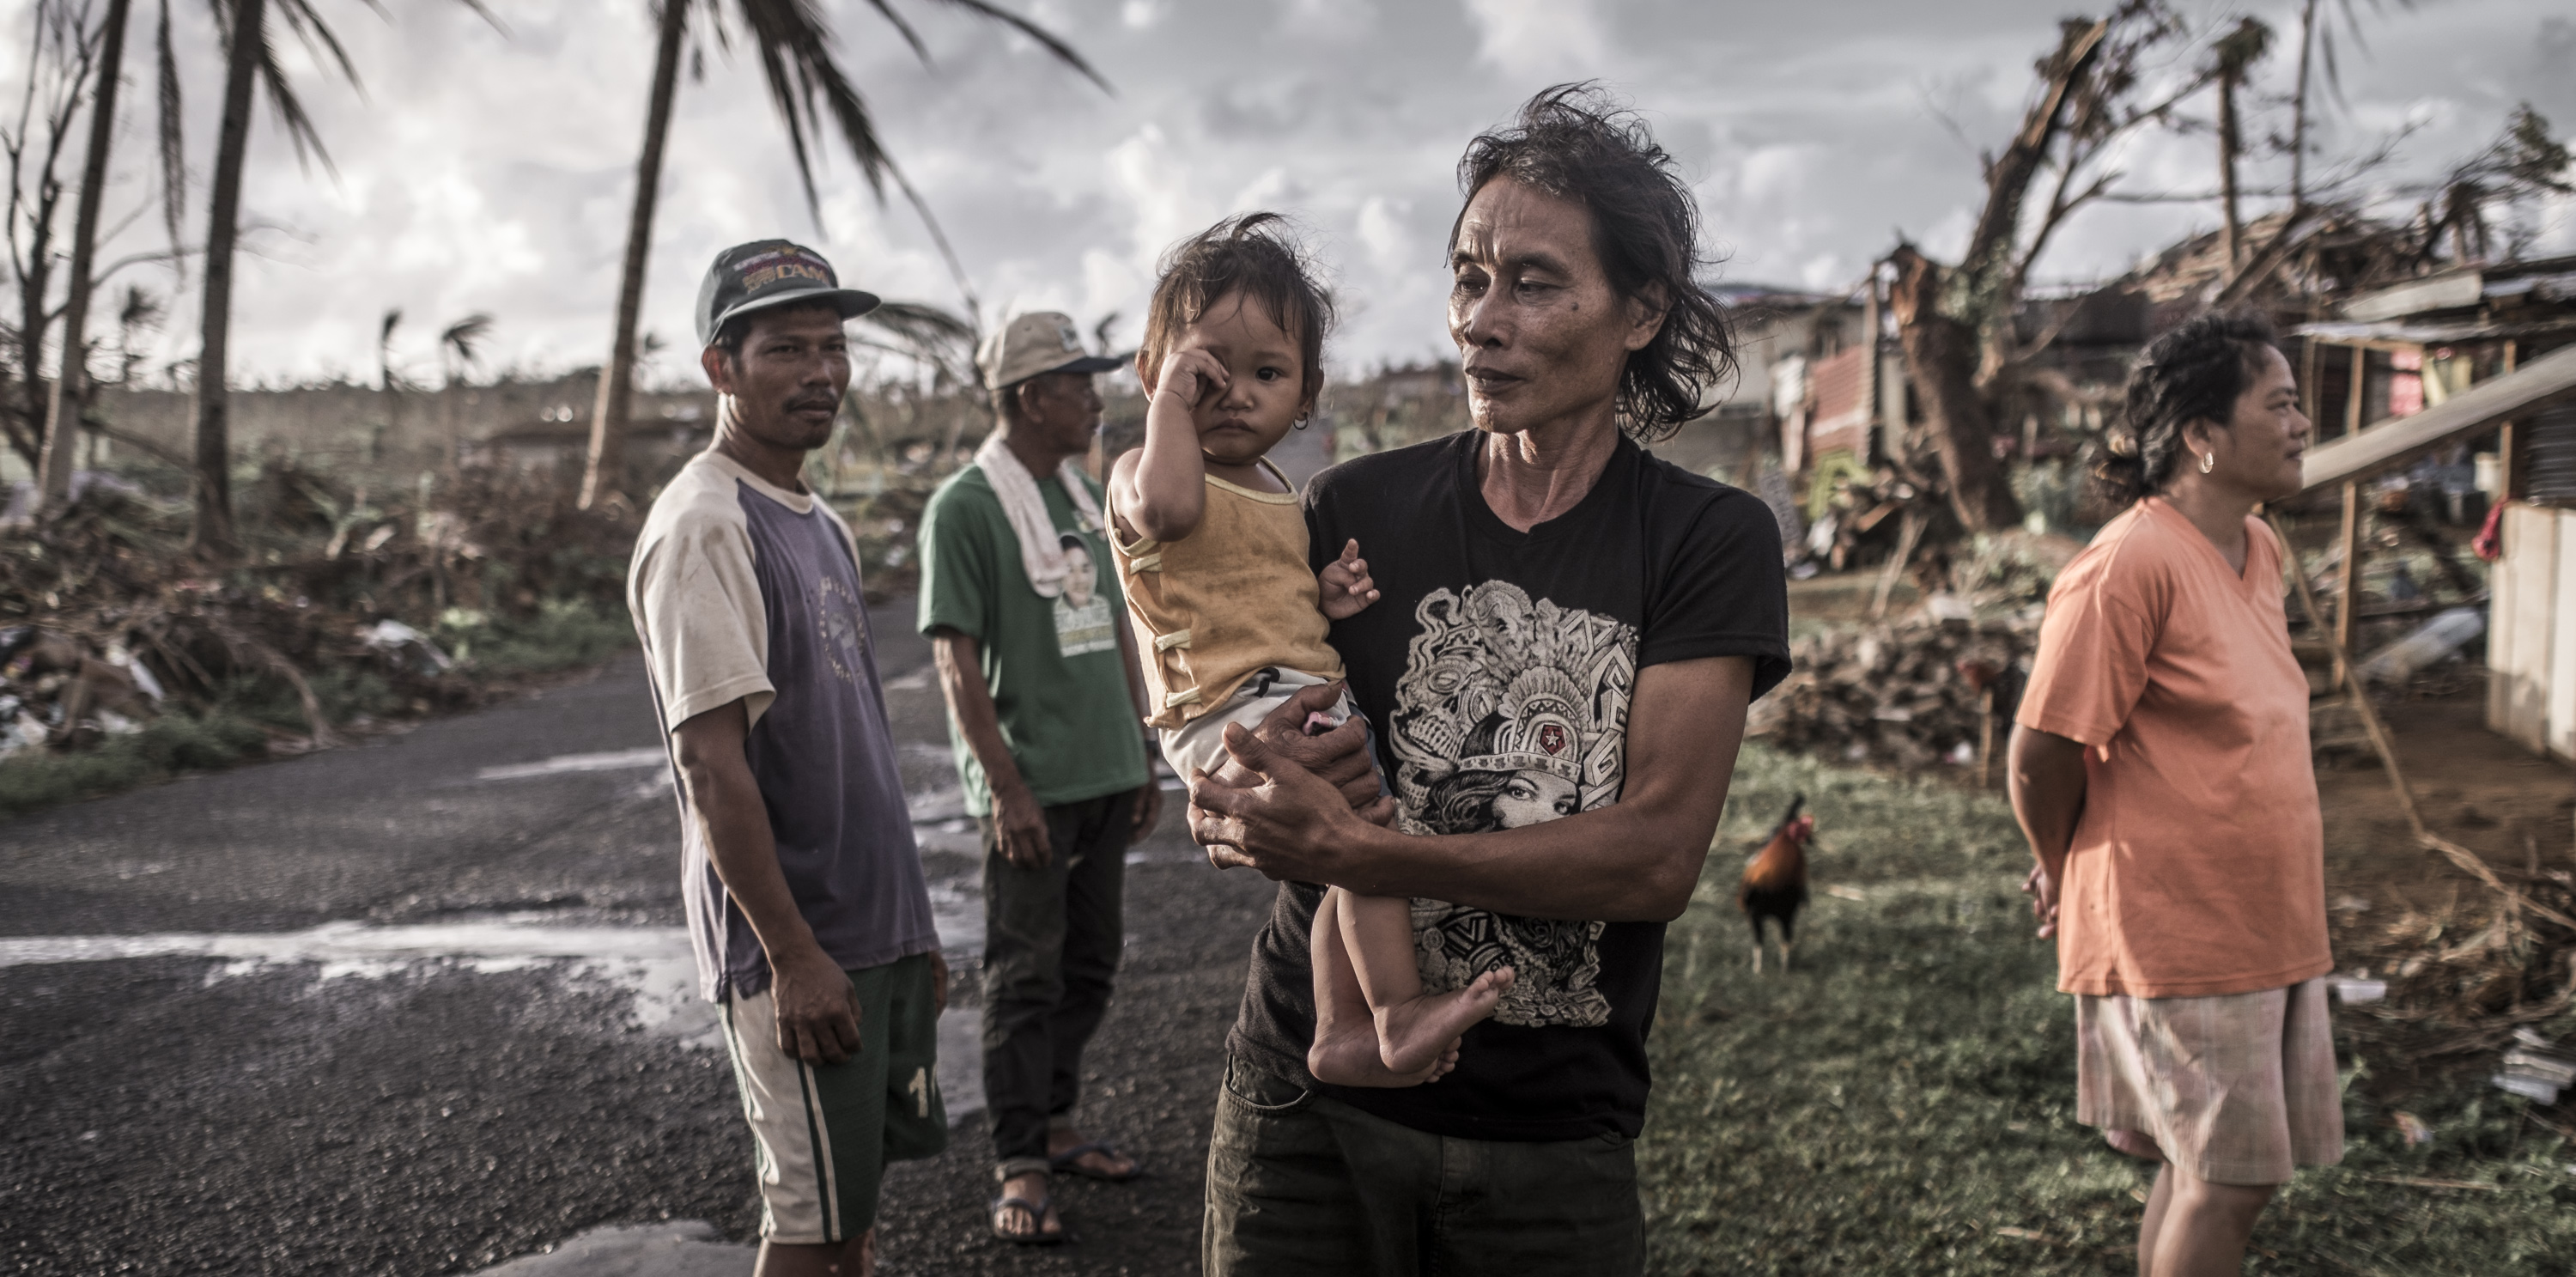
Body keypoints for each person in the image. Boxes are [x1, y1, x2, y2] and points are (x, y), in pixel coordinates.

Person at [1185, 85, 1793, 1274]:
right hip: (1309, 1103)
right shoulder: (1354, 507)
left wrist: (1362, 854)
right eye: (1468, 277)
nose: (1482, 319)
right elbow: (1250, 698)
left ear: (1640, 311)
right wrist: (1230, 798)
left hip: (1547, 1132)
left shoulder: (1706, 539)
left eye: (1533, 281)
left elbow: (1655, 857)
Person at [1105, 213, 1516, 1090]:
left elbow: (1251, 583)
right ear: (1154, 373)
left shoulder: (1278, 488)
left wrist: (1318, 595)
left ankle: (1341, 1028)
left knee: (1355, 849)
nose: (1237, 395)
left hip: (1288, 693)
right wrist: (1169, 407)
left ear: (1307, 392)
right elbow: (1172, 519)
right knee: (1362, 843)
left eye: (1267, 374)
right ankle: (1392, 1010)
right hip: (1232, 710)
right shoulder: (1146, 467)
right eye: (1208, 371)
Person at [629, 240, 946, 1277]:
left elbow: (848, 742)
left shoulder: (820, 523)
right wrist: (792, 953)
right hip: (801, 939)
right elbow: (713, 768)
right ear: (721, 364)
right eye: (786, 349)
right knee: (806, 1225)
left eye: (833, 346)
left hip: (871, 927)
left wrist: (912, 926)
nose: (822, 372)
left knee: (851, 1212)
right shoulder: (704, 524)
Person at [2009, 311, 2339, 1276]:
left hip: (2263, 918)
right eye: (2279, 403)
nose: (2302, 423)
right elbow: (2043, 747)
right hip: (2177, 923)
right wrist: (2059, 861)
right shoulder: (2129, 562)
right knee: (2227, 1179)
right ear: (2202, 433)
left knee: (2209, 1168)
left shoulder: (2259, 548)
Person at [916, 310, 1166, 1245]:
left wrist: (1142, 747)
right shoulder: (966, 507)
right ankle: (1020, 1160)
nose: (1095, 398)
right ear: (1031, 398)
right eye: (1078, 383)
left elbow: (1118, 622)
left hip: (1104, 770)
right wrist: (1006, 788)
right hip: (1035, 788)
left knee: (1090, 961)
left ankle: (1058, 1123)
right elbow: (955, 659)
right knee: (1024, 976)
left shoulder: (1074, 491)